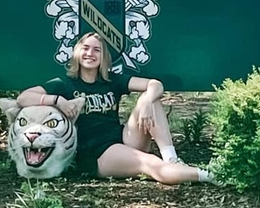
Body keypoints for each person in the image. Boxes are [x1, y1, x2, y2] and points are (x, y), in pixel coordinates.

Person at [12, 33, 215, 184]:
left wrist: (145, 102)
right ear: (77, 53)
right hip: (97, 152)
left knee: (152, 99)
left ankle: (172, 158)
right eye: (85, 48)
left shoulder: (111, 80)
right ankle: (211, 176)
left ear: (103, 58)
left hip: (122, 138)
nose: (90, 53)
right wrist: (56, 100)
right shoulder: (64, 84)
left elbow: (156, 84)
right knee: (151, 163)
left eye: (96, 50)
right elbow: (23, 97)